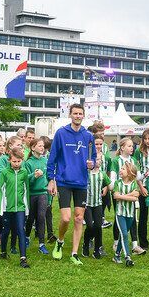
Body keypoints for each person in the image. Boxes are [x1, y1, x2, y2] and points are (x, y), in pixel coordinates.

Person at [46, 103, 96, 266]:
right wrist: (51, 179)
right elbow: (52, 158)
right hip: (63, 181)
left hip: (81, 182)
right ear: (70, 115)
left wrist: (92, 163)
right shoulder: (61, 133)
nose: (78, 116)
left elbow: (94, 158)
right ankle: (60, 241)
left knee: (79, 218)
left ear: (83, 116)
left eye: (80, 113)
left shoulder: (88, 136)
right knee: (66, 218)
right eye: (75, 113)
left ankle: (74, 253)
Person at [109, 137, 145, 255]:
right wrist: (117, 191)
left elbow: (137, 176)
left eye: (132, 146)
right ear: (122, 147)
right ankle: (116, 242)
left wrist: (144, 175)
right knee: (118, 216)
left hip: (131, 191)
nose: (132, 148)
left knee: (132, 216)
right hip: (119, 192)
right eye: (129, 146)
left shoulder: (133, 160)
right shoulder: (116, 161)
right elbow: (112, 179)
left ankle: (135, 244)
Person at [0, 148, 30, 268]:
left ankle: (23, 258)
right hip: (7, 208)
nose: (16, 164)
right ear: (9, 160)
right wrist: (0, 207)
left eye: (19, 161)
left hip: (20, 208)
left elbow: (26, 191)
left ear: (22, 160)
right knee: (6, 231)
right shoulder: (5, 173)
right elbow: (0, 189)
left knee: (21, 230)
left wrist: (27, 208)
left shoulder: (24, 173)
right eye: (14, 161)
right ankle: (3, 251)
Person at [84, 134, 111, 259]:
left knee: (98, 225)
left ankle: (97, 249)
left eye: (100, 160)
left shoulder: (102, 174)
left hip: (98, 203)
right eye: (97, 160)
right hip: (87, 204)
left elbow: (111, 185)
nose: (99, 162)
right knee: (90, 225)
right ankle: (86, 243)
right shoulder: (87, 173)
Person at [24, 138, 49, 255]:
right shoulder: (28, 162)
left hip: (43, 193)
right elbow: (26, 180)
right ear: (33, 148)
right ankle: (27, 236)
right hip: (32, 194)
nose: (42, 148)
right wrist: (34, 176)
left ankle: (41, 243)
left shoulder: (45, 161)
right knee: (31, 217)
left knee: (41, 216)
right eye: (39, 146)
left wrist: (51, 187)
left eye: (43, 146)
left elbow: (49, 177)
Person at [112, 161, 140, 267]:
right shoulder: (117, 183)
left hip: (130, 215)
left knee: (123, 236)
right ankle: (127, 256)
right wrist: (130, 196)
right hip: (120, 214)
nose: (120, 170)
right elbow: (116, 196)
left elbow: (136, 197)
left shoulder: (133, 184)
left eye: (123, 169)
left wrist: (122, 196)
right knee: (124, 234)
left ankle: (116, 255)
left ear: (129, 173)